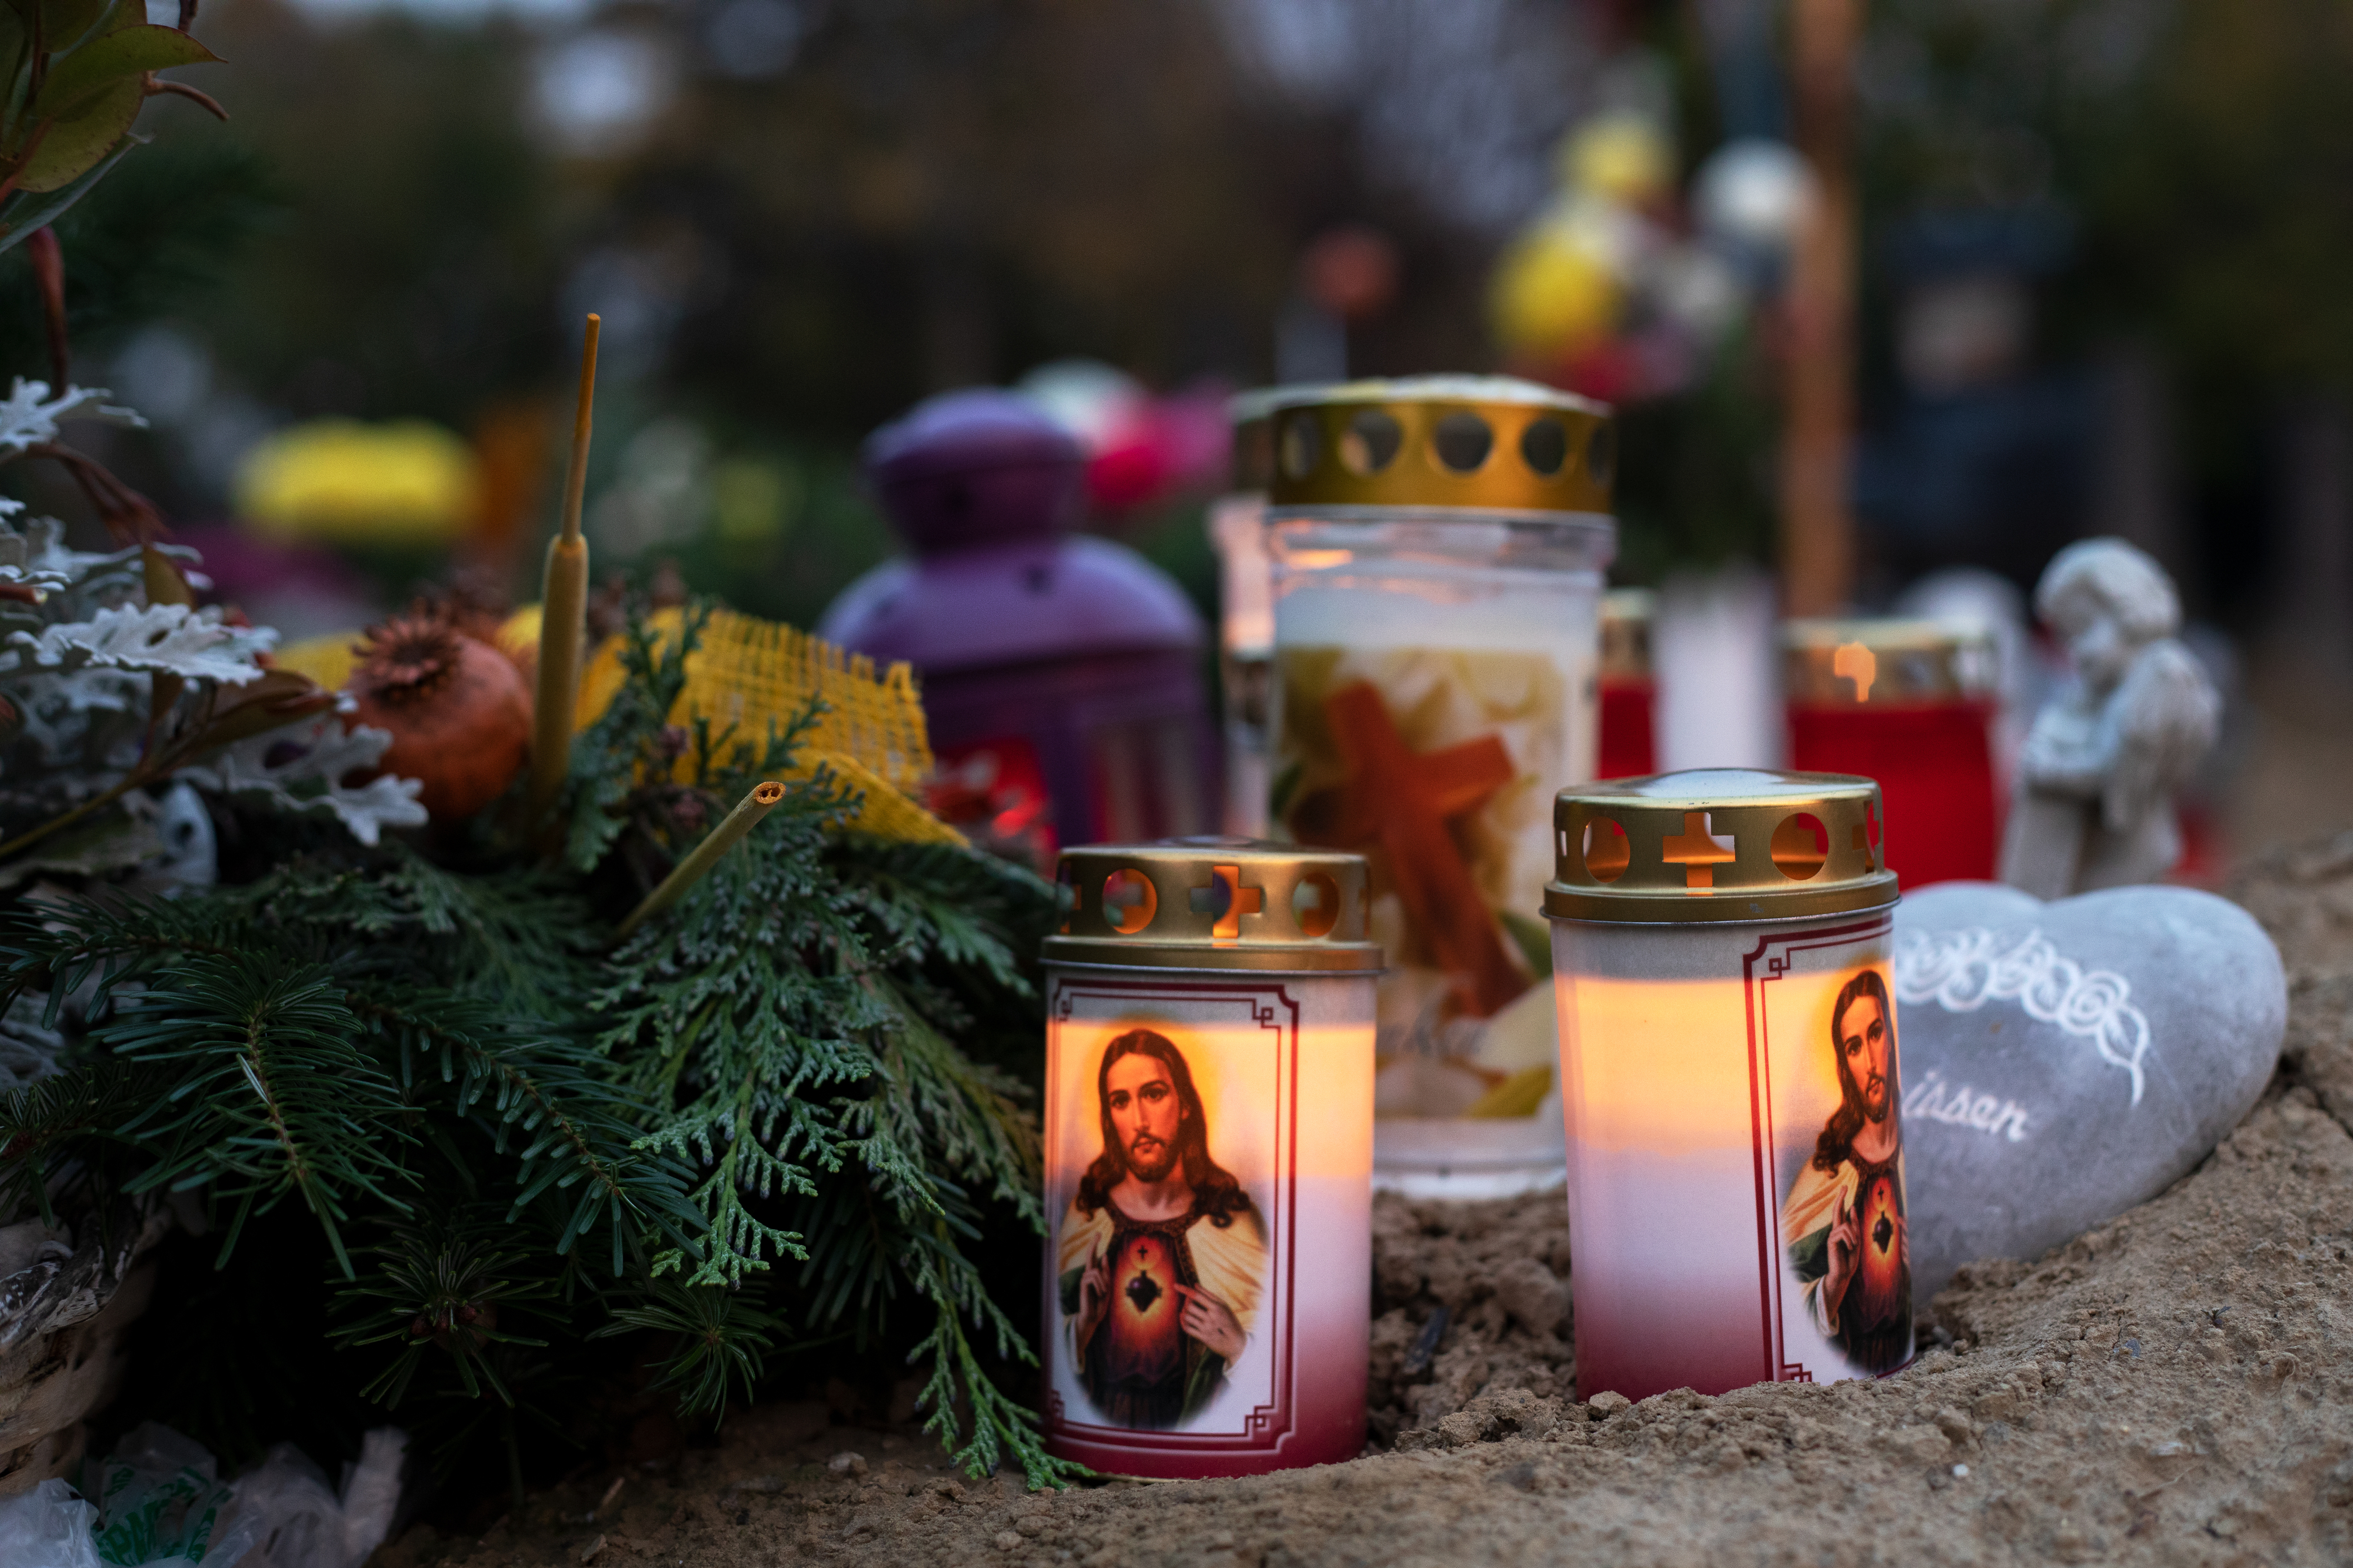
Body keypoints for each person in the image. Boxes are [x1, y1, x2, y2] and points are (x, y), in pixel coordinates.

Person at [1056, 1028, 1265, 1428]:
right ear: (1108, 1117)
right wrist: (1081, 1329)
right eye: (1121, 1101)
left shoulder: (1234, 1225)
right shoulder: (1087, 1218)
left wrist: (1239, 1346)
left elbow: (1283, 1365)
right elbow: (1060, 1359)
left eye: (1153, 1094)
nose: (1139, 1121)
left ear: (1185, 1103)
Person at [1998, 537, 2219, 896]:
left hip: (2127, 850)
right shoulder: (2105, 688)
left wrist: (2052, 769)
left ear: (2129, 613)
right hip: (2099, 847)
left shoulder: (2161, 675)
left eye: (2085, 629)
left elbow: (2116, 773)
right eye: (2068, 639)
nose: (2077, 651)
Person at [1782, 970, 1912, 1374]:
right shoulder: (1829, 1173)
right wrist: (1836, 1281)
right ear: (1843, 1065)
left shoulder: (1897, 1151)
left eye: (1876, 1034)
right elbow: (1782, 1289)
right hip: (1848, 1376)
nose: (1872, 1063)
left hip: (1901, 1366)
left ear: (1892, 1036)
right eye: (1855, 1047)